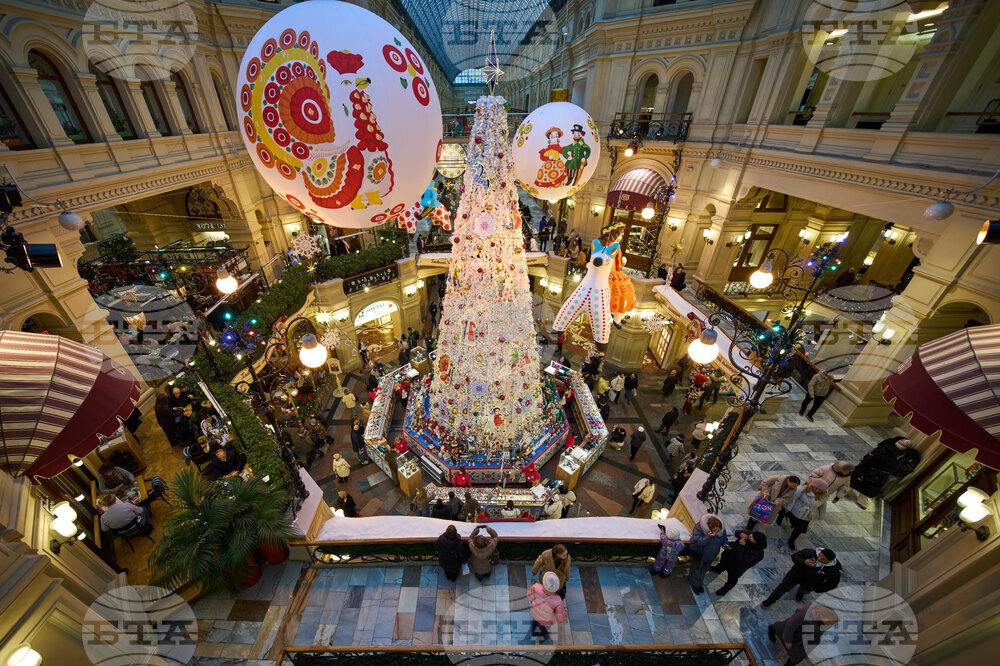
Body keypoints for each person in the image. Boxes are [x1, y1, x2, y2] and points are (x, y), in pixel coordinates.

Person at [843, 436, 919, 508]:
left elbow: (866, 460)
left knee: (850, 484)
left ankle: (842, 492)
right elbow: (898, 469)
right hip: (877, 480)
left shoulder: (880, 452)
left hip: (862, 474)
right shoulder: (896, 462)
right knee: (866, 492)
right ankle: (862, 503)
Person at [761, 547, 842, 606]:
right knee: (782, 587)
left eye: (823, 559)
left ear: (830, 561)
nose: (819, 558)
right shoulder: (809, 552)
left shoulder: (834, 571)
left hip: (809, 584)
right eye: (819, 555)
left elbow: (832, 585)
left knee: (804, 590)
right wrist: (803, 561)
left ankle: (800, 593)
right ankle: (771, 600)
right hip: (795, 575)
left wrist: (816, 588)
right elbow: (794, 556)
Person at [769, 604, 840, 666]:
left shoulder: (825, 620)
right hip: (796, 631)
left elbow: (822, 628)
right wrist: (788, 640)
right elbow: (791, 625)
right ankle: (772, 628)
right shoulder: (804, 614)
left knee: (798, 655)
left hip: (808, 637)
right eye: (829, 623)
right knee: (781, 628)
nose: (830, 625)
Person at [710, 529, 767, 596]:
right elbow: (737, 532)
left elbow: (742, 562)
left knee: (732, 579)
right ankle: (718, 569)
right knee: (723, 564)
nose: (749, 536)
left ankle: (726, 588)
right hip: (729, 557)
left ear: (755, 541)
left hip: (736, 568)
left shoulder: (758, 554)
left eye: (751, 537)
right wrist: (741, 534)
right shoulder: (751, 535)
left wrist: (741, 546)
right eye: (750, 535)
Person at [681, 514, 727, 595]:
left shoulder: (721, 530)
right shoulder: (699, 528)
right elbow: (698, 542)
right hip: (700, 553)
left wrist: (725, 544)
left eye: (718, 530)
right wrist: (707, 537)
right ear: (710, 527)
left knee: (704, 570)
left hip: (711, 554)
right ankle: (694, 584)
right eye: (715, 530)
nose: (716, 532)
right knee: (696, 569)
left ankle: (699, 583)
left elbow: (724, 539)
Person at [779, 478, 829, 550]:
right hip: (796, 511)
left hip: (808, 515)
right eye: (815, 488)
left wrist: (821, 516)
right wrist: (788, 508)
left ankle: (792, 540)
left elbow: (823, 506)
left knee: (799, 529)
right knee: (793, 521)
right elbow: (793, 499)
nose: (817, 490)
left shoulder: (824, 496)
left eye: (820, 489)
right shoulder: (802, 490)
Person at [527, 571, 567, 643]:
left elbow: (529, 596)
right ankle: (540, 639)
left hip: (535, 612)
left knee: (534, 622)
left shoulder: (536, 587)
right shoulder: (557, 600)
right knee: (543, 629)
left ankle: (533, 632)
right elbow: (560, 616)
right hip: (546, 619)